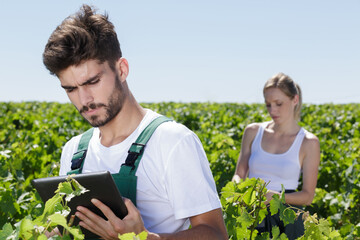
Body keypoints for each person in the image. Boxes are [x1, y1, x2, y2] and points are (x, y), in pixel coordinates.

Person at [42, 4, 228, 240]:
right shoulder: (73, 151)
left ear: (121, 70)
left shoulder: (171, 141)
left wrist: (144, 237)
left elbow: (216, 234)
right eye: (70, 89)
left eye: (92, 82)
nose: (84, 99)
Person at [232, 73, 320, 239]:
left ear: (295, 100)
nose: (273, 110)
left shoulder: (308, 142)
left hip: (286, 219)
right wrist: (238, 189)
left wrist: (275, 197)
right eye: (268, 105)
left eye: (279, 104)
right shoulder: (252, 132)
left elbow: (308, 196)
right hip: (251, 211)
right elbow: (239, 173)